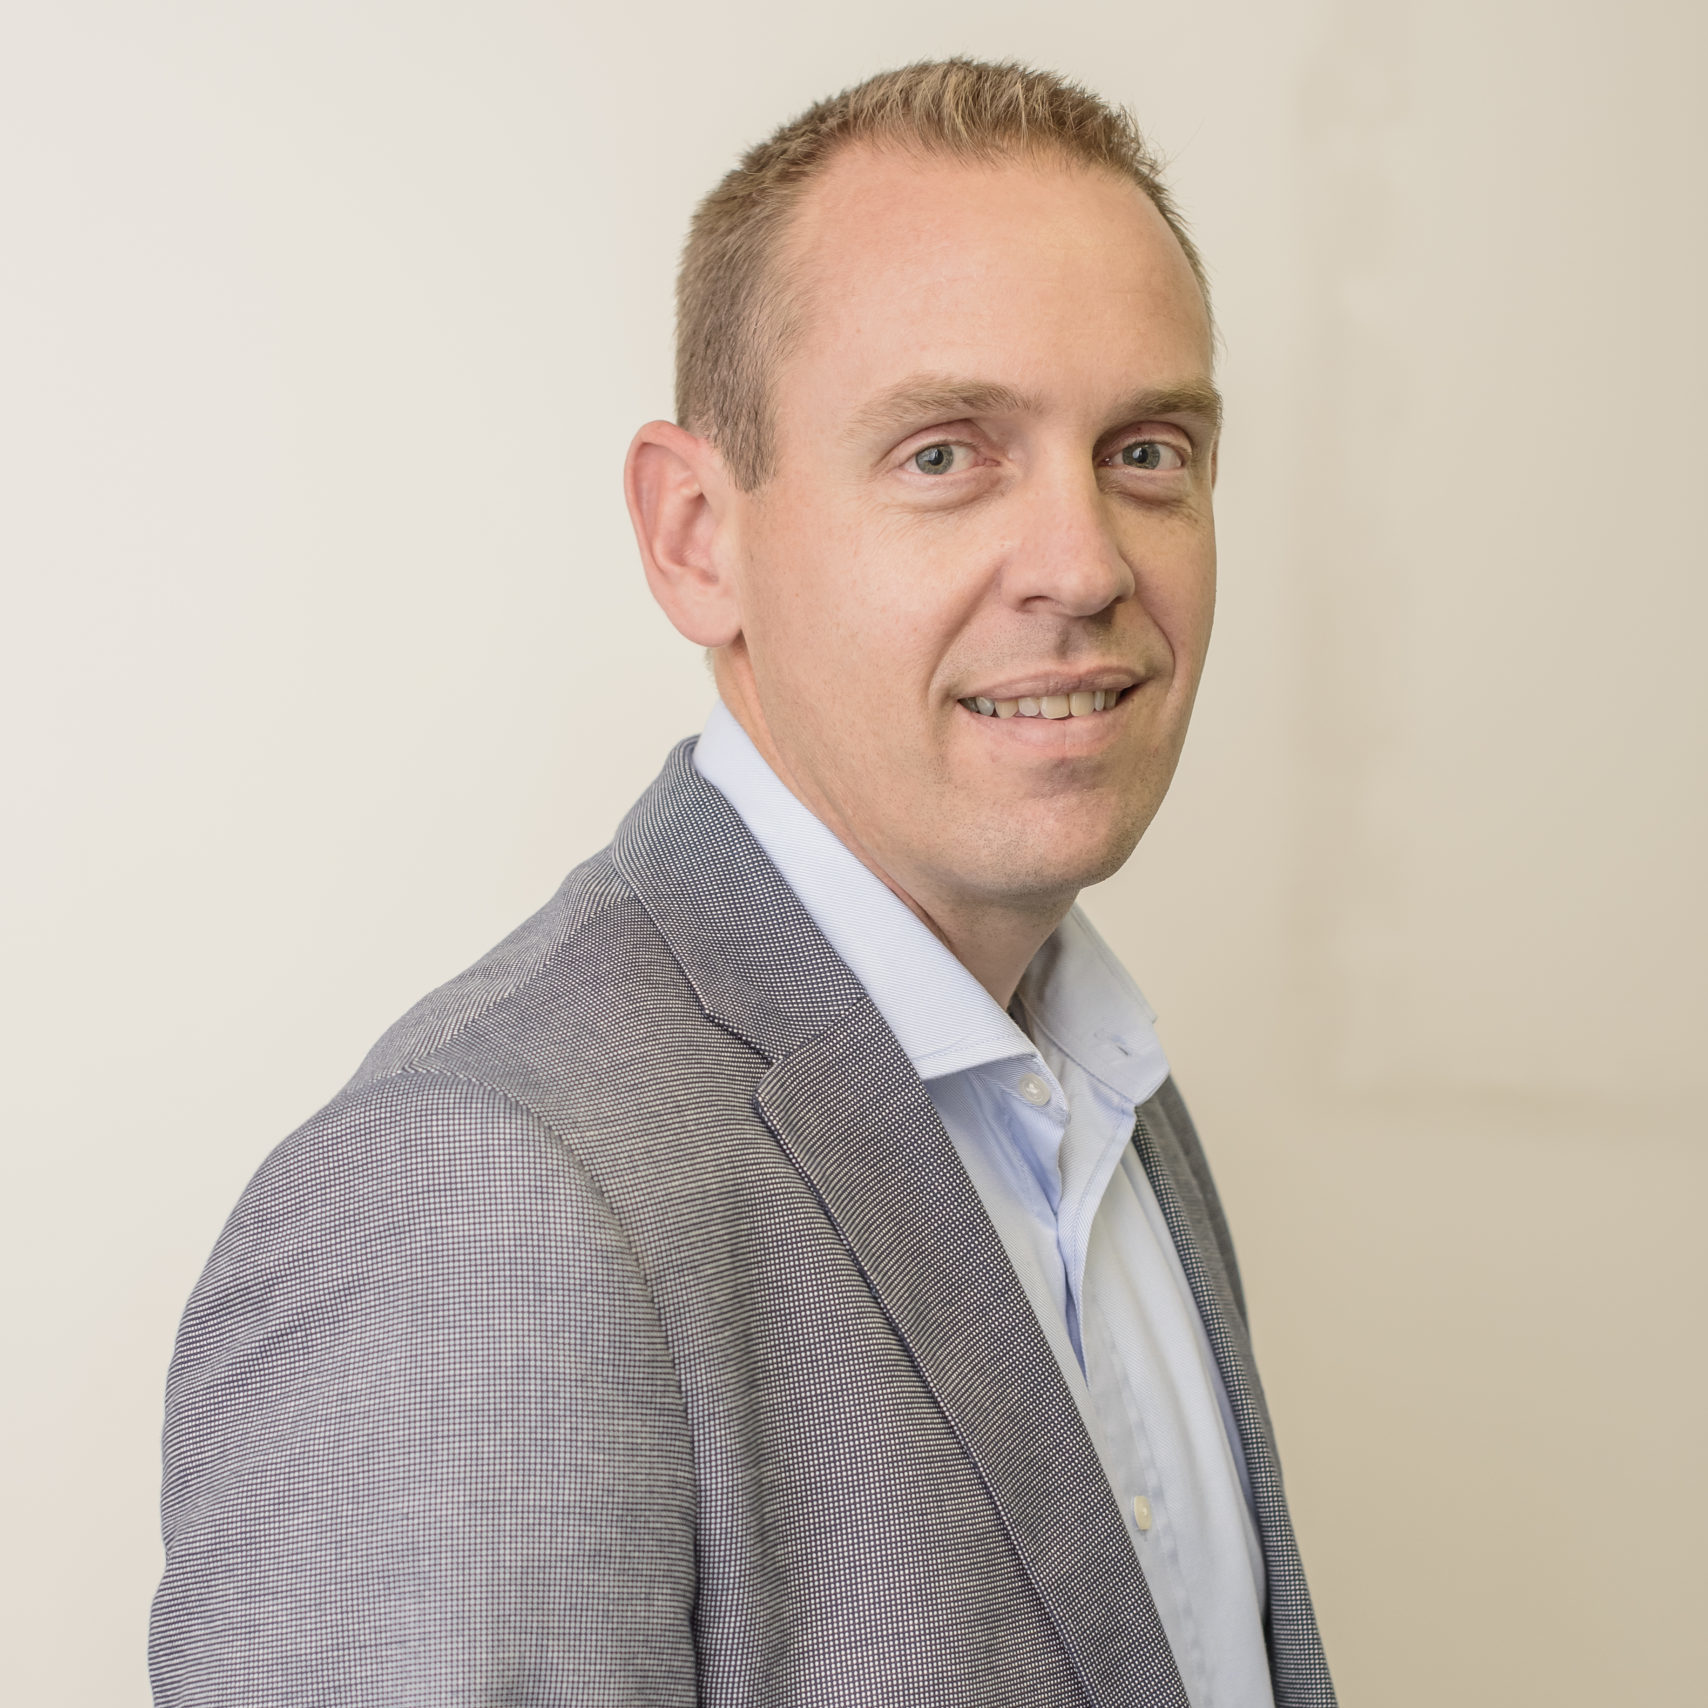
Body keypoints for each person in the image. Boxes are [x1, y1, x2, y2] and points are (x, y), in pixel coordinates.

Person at [149, 58, 1336, 1708]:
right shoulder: (479, 1205)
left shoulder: (1105, 1095)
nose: (1084, 564)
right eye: (946, 453)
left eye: (1146, 450)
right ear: (696, 534)